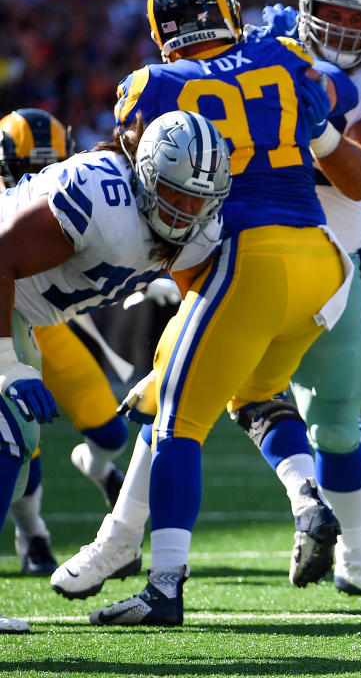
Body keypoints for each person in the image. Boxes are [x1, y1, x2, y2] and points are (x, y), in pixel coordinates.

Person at [56, 0, 361, 601]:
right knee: (181, 394)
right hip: (271, 257)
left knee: (332, 418)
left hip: (320, 260)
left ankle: (357, 555)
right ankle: (120, 539)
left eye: (356, 16)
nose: (341, 28)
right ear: (301, 7)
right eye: (329, 12)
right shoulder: (273, 52)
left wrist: (320, 131)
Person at [83, 0, 355, 627]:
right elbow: (336, 99)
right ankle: (307, 497)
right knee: (253, 394)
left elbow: (132, 174)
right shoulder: (287, 56)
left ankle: (165, 586)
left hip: (247, 262)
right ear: (227, 10)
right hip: (322, 266)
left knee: (177, 420)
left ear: (162, 29)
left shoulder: (149, 86)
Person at [0, 109, 231, 634]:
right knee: (10, 431)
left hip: (27, 315)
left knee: (13, 467)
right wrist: (7, 362)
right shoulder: (102, 198)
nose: (185, 210)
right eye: (175, 193)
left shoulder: (196, 230)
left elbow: (201, 297)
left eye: (198, 200)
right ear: (147, 174)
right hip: (9, 304)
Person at [0, 108, 134, 578]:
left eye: (50, 164)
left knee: (111, 432)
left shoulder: (69, 191)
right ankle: (33, 534)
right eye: (28, 168)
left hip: (49, 326)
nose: (39, 177)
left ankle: (96, 467)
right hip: (8, 321)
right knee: (18, 443)